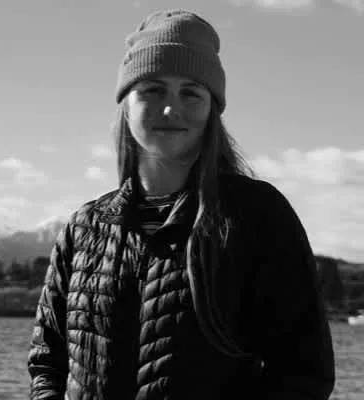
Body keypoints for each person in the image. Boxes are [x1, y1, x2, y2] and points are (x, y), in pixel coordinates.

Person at [28, 9, 335, 400]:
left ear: (212, 108)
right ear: (125, 103)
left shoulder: (256, 215)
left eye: (191, 92)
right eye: (153, 89)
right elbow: (47, 363)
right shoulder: (85, 226)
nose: (171, 109)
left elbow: (303, 373)